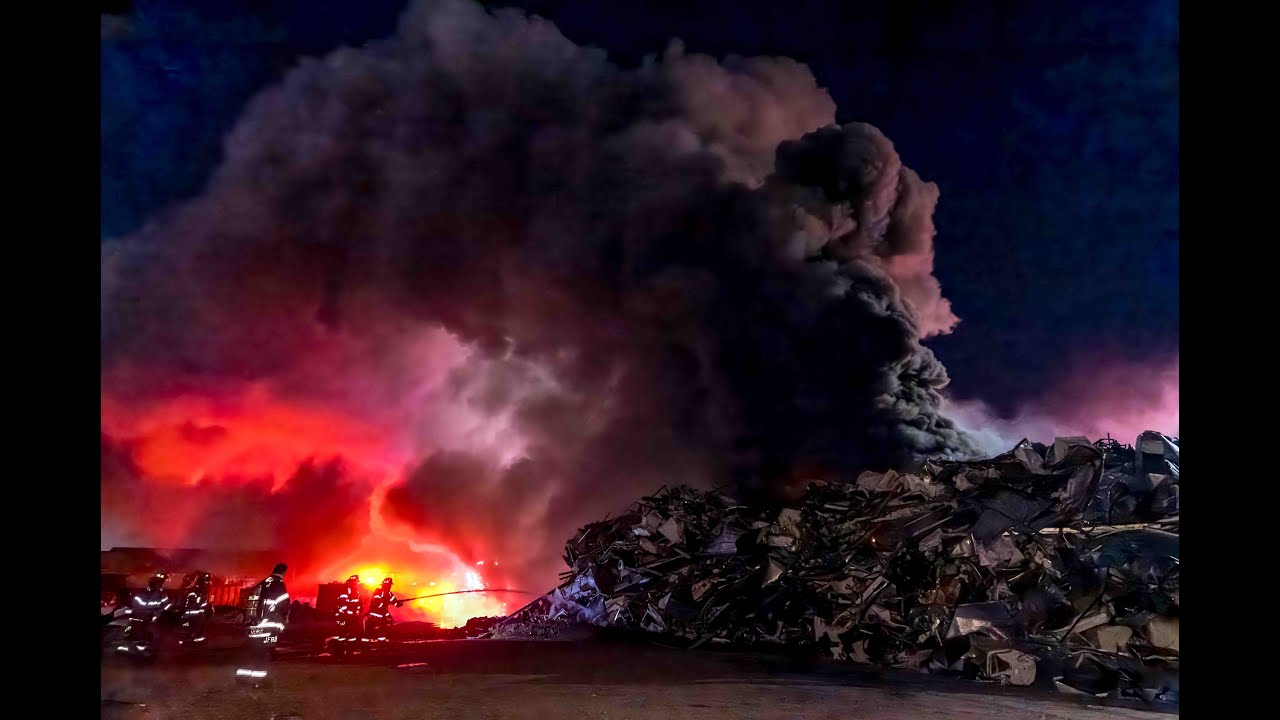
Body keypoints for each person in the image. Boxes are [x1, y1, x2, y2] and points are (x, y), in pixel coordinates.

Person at [236, 563, 289, 685]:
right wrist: (283, 620)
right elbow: (284, 604)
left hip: (254, 623)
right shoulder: (278, 585)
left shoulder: (263, 582)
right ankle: (258, 680)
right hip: (268, 624)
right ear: (283, 573)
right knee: (263, 651)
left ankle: (243, 677)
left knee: (252, 649)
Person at [123, 573, 171, 654]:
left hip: (152, 617)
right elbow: (136, 605)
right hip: (141, 616)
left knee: (154, 634)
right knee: (137, 630)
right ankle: (136, 644)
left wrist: (156, 615)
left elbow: (165, 606)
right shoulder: (141, 594)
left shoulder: (162, 595)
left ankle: (151, 649)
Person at [332, 575, 364, 653]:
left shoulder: (355, 591)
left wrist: (358, 610)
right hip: (345, 616)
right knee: (342, 634)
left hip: (352, 617)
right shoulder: (346, 590)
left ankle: (349, 651)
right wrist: (346, 615)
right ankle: (339, 652)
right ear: (351, 582)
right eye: (355, 582)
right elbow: (344, 604)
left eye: (356, 582)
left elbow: (357, 603)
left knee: (352, 634)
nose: (356, 583)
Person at [180, 572, 212, 644]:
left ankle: (191, 636)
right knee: (197, 624)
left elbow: (202, 601)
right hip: (194, 612)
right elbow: (194, 601)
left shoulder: (199, 589)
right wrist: (201, 607)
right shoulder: (197, 590)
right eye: (206, 581)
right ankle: (194, 638)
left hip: (191, 612)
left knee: (190, 624)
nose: (207, 584)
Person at [364, 577, 396, 642]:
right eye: (388, 585)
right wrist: (384, 602)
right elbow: (376, 603)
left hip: (383, 616)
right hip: (375, 615)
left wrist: (398, 603)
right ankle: (364, 644)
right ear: (384, 585)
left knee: (382, 630)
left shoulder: (389, 594)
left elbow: (395, 602)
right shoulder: (378, 592)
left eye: (390, 585)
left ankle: (381, 643)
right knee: (370, 630)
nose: (390, 586)